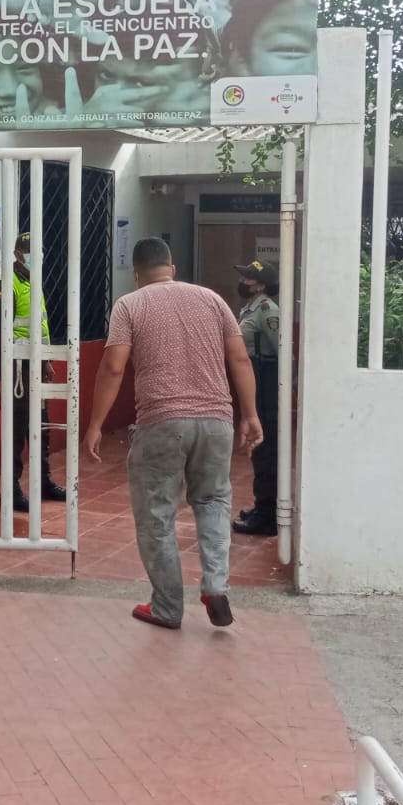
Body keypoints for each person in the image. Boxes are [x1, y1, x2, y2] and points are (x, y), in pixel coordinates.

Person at [83, 238, 261, 630]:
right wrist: (249, 414)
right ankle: (215, 585)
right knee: (214, 500)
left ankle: (166, 606)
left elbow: (113, 367)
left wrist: (95, 423)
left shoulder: (130, 305)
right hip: (217, 420)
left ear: (137, 274)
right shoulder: (212, 300)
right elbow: (239, 358)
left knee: (156, 514)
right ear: (172, 268)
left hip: (161, 421)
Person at [0, 232, 66, 512]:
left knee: (41, 427)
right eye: (32, 251)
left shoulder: (33, 284)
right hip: (16, 370)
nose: (39, 256)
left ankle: (43, 482)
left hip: (35, 366)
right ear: (18, 254)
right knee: (17, 430)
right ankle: (10, 490)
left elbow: (39, 326)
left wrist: (45, 359)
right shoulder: (6, 286)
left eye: (40, 251)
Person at [231, 260, 282, 538]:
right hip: (255, 377)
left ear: (261, 285)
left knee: (266, 447)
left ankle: (268, 515)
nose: (244, 282)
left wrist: (286, 388)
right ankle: (262, 505)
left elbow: (283, 351)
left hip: (267, 379)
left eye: (248, 279)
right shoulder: (251, 308)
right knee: (259, 447)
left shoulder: (267, 311)